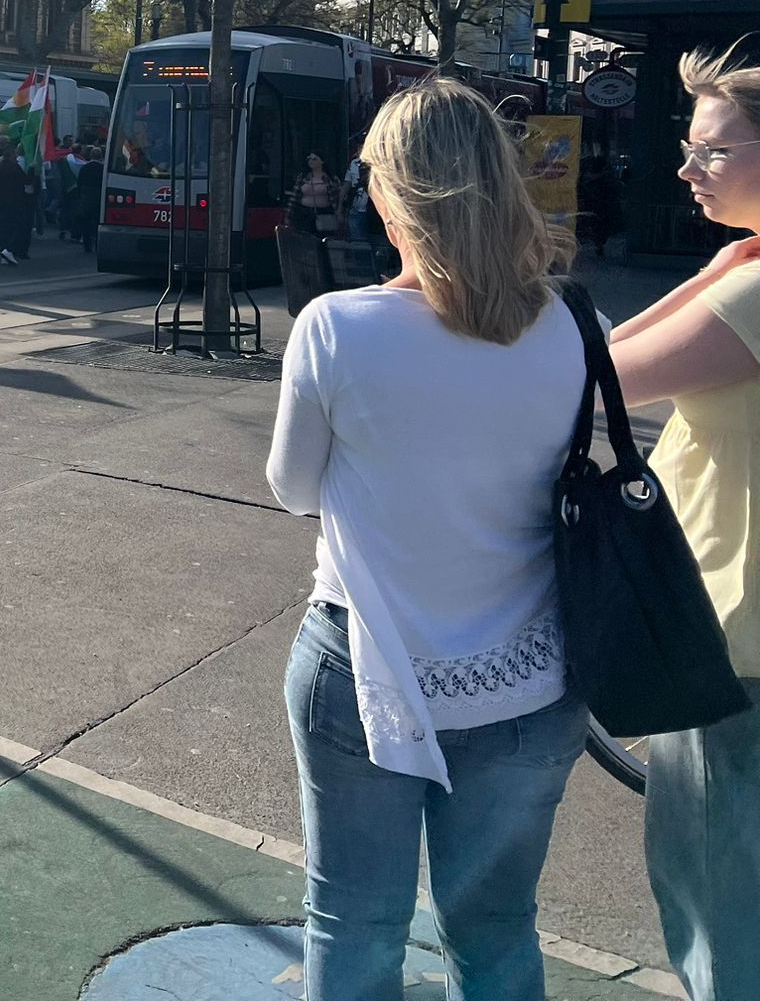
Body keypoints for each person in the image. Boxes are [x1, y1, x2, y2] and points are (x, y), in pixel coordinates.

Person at [266, 77, 588, 1001]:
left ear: (386, 194)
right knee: (494, 929)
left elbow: (293, 490)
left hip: (363, 665)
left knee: (354, 921)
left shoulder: (338, 327)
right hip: (531, 678)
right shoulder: (577, 325)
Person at [608, 44, 760, 1000]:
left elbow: (598, 374)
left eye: (710, 151)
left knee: (715, 886)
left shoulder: (752, 295)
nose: (684, 168)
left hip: (732, 632)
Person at [0, 143, 32, 267]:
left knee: (4, 226)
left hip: (1, 200)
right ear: (11, 155)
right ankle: (8, 250)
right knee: (15, 226)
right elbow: (25, 180)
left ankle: (4, 251)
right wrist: (32, 170)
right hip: (14, 200)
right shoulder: (13, 167)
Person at [288, 151, 341, 235]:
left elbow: (336, 198)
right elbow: (295, 196)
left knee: (323, 238)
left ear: (322, 161)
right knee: (304, 237)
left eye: (314, 159)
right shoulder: (303, 177)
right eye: (309, 159)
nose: (311, 161)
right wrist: (289, 214)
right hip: (304, 212)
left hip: (324, 212)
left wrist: (338, 213)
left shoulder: (331, 178)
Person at [73, 147, 104, 254]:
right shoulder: (102, 169)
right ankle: (97, 245)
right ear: (100, 156)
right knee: (97, 223)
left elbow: (79, 183)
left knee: (85, 223)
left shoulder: (84, 168)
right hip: (99, 198)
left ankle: (87, 246)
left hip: (86, 198)